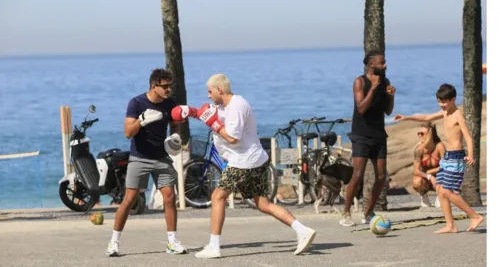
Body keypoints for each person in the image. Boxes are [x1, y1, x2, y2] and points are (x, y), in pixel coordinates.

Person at [188, 73, 316, 259]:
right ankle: (302, 230)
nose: (208, 96)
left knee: (217, 196)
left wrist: (213, 124)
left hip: (243, 161)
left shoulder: (237, 106)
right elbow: (210, 114)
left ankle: (214, 247)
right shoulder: (223, 105)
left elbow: (232, 138)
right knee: (263, 203)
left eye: (209, 92)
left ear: (219, 90)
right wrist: (192, 112)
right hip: (254, 159)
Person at [106, 68, 188, 256]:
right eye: (165, 86)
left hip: (162, 158)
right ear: (154, 86)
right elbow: (128, 133)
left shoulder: (170, 104)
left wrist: (175, 138)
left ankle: (172, 242)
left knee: (169, 197)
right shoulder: (136, 103)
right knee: (129, 200)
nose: (168, 90)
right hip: (140, 158)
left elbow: (174, 126)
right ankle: (113, 243)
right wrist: (142, 121)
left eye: (170, 86)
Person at [393, 83, 484, 233]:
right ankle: (450, 225)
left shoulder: (457, 115)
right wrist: (406, 117)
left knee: (448, 191)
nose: (441, 105)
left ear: (453, 99)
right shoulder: (444, 113)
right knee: (441, 190)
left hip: (456, 157)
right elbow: (427, 117)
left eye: (444, 102)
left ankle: (474, 216)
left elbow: (468, 136)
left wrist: (471, 155)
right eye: (439, 102)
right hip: (448, 156)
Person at [339, 50, 396, 227]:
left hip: (379, 134)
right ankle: (346, 214)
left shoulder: (385, 81)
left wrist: (391, 96)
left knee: (381, 176)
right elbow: (361, 108)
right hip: (361, 134)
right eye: (382, 62)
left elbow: (387, 111)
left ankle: (368, 212)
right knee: (358, 174)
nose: (385, 65)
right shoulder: (360, 82)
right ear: (372, 65)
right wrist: (373, 87)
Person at [413, 122, 445, 208]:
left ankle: (440, 195)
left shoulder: (439, 146)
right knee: (416, 182)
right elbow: (416, 170)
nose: (419, 136)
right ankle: (424, 196)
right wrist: (429, 176)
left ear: (430, 135)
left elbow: (446, 166)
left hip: (440, 178)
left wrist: (430, 171)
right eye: (418, 133)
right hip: (426, 179)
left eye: (422, 133)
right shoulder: (419, 150)